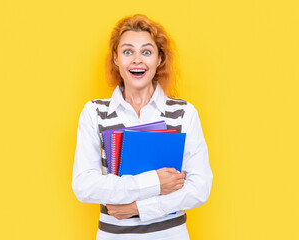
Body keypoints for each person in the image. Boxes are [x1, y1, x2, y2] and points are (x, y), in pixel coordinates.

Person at [71, 14, 213, 240]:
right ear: (116, 59)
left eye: (146, 52)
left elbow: (199, 188)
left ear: (159, 59)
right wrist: (156, 182)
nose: (137, 60)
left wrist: (137, 208)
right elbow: (84, 186)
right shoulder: (94, 113)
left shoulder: (184, 113)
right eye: (128, 51)